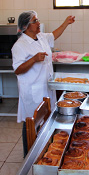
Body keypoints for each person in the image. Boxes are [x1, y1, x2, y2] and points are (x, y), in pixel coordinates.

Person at [11, 10, 75, 157]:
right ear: (26, 26)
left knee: (45, 120)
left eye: (37, 20)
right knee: (30, 123)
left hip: (45, 87)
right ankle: (28, 155)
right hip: (31, 90)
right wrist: (33, 59)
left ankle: (43, 150)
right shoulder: (19, 46)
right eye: (35, 21)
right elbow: (18, 70)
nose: (38, 23)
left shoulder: (41, 37)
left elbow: (54, 35)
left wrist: (66, 23)